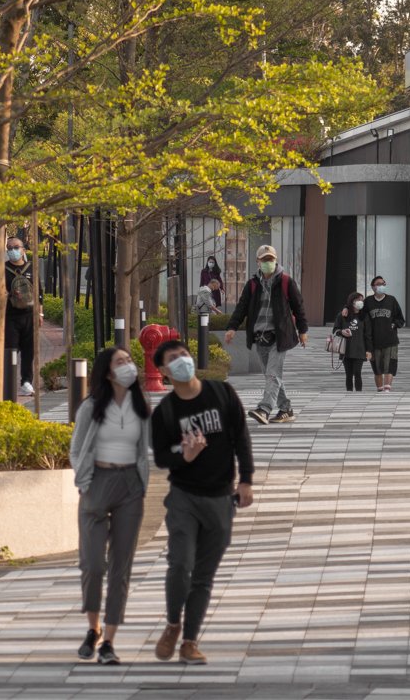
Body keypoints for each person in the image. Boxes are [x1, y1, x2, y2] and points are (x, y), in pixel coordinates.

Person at [148, 337, 253, 666]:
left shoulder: (222, 393)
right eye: (173, 359)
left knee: (204, 576)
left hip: (221, 498)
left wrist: (246, 480)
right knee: (180, 563)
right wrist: (186, 453)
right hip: (184, 497)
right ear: (164, 371)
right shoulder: (165, 413)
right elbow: (163, 457)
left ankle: (189, 641)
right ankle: (172, 623)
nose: (182, 361)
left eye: (184, 355)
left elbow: (241, 438)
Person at [71, 346, 151, 666]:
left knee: (121, 566)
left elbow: (150, 446)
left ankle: (109, 642)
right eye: (121, 362)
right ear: (108, 372)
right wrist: (84, 481)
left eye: (129, 361)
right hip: (97, 483)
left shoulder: (141, 406)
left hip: (130, 485)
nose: (128, 366)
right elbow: (76, 450)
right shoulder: (90, 408)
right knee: (92, 563)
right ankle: (93, 628)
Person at [221, 245, 307, 425]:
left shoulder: (286, 281)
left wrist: (303, 331)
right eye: (264, 259)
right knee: (272, 375)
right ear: (258, 262)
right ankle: (286, 409)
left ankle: (264, 409)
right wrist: (232, 328)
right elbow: (242, 307)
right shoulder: (252, 284)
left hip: (280, 336)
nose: (268, 262)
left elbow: (299, 307)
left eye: (271, 259)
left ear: (275, 260)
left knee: (272, 375)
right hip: (260, 337)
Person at [3, 238, 37, 397]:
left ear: (23, 249)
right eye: (9, 248)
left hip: (29, 315)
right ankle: (8, 380)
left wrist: (40, 313)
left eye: (16, 247)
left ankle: (26, 381)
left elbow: (39, 292)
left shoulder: (31, 268)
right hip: (10, 316)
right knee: (11, 349)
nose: (13, 250)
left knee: (28, 351)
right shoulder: (3, 269)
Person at [361, 276, 406, 392]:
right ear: (373, 287)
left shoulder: (392, 300)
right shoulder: (368, 301)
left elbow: (400, 319)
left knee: (390, 366)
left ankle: (387, 390)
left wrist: (394, 324)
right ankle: (380, 390)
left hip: (390, 340)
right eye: (378, 284)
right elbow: (358, 314)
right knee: (377, 368)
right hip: (374, 341)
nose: (381, 286)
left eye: (383, 283)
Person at [332, 292, 368, 391]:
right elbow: (335, 330)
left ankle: (359, 394)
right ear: (352, 302)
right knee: (348, 374)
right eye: (358, 300)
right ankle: (349, 393)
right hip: (346, 349)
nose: (360, 302)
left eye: (362, 300)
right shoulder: (342, 315)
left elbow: (368, 334)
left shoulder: (364, 316)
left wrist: (369, 350)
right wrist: (342, 331)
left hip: (360, 349)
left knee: (357, 373)